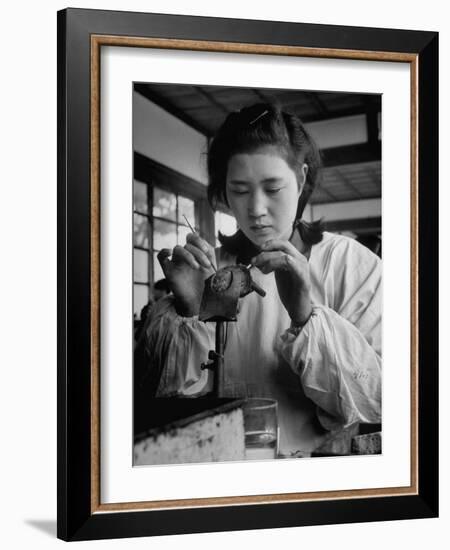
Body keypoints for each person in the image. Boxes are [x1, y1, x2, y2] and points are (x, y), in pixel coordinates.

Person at [141, 103, 381, 455]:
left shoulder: (351, 264)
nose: (255, 209)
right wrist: (189, 308)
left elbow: (378, 398)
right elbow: (163, 403)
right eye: (239, 190)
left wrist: (304, 316)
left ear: (300, 178)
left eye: (272, 188)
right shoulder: (210, 269)